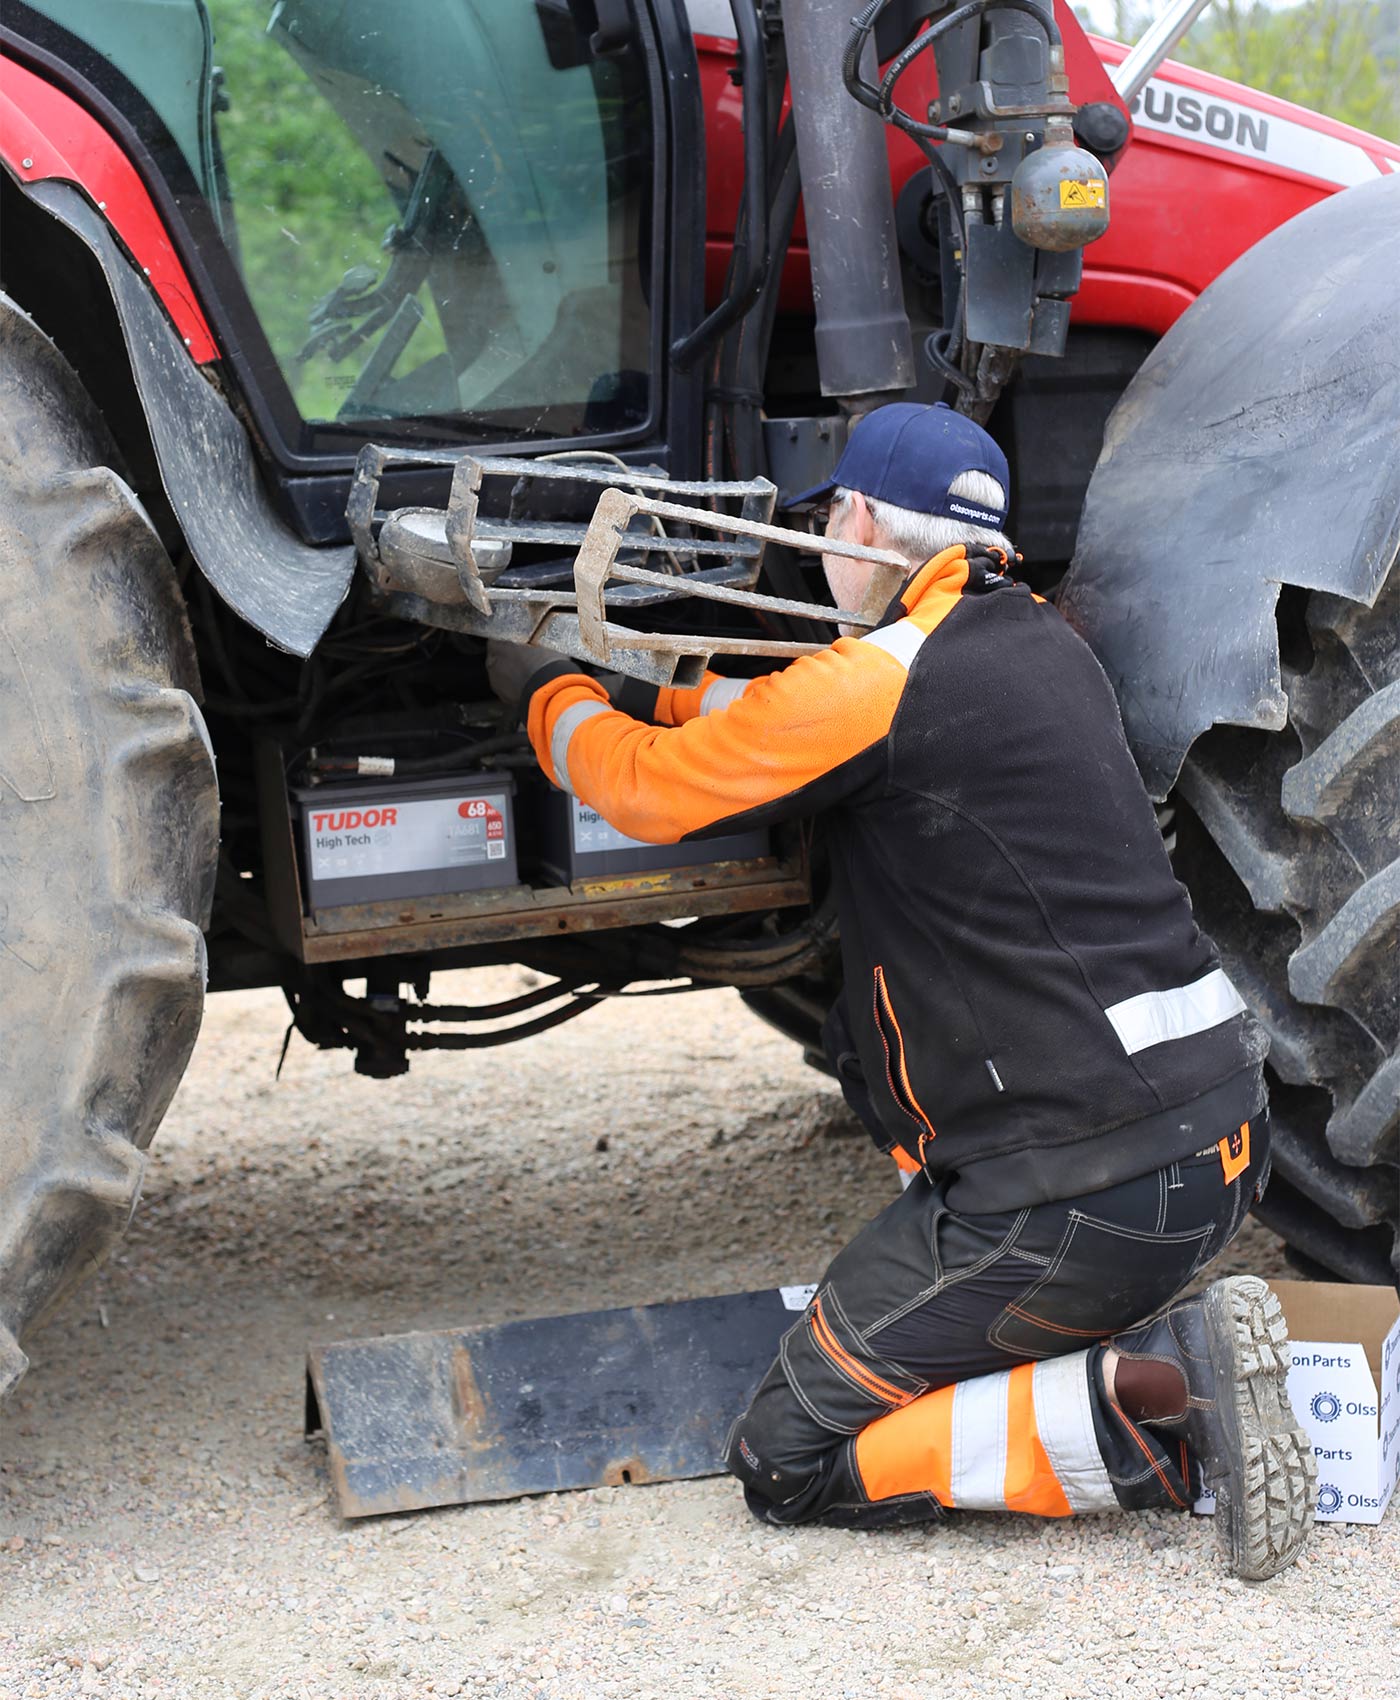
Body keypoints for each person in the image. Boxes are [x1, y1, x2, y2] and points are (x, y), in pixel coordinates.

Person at [487, 402, 1315, 1580]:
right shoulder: (1041, 646)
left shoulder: (881, 676)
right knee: (958, 1335)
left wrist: (545, 691)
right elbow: (775, 717)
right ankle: (1146, 1346)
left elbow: (649, 792)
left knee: (787, 1452)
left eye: (828, 519)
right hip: (1222, 1152)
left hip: (1081, 1203)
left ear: (861, 522)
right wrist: (659, 686)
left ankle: (1168, 1403)